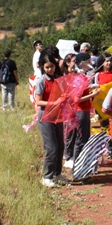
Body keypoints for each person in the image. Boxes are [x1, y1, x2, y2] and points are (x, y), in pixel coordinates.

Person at [33, 57, 65, 187]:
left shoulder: (59, 80)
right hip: (45, 115)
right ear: (43, 68)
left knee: (60, 146)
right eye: (47, 67)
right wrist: (53, 103)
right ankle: (47, 176)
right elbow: (38, 101)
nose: (49, 69)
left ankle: (57, 174)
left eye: (51, 66)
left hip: (58, 115)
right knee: (51, 147)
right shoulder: (41, 81)